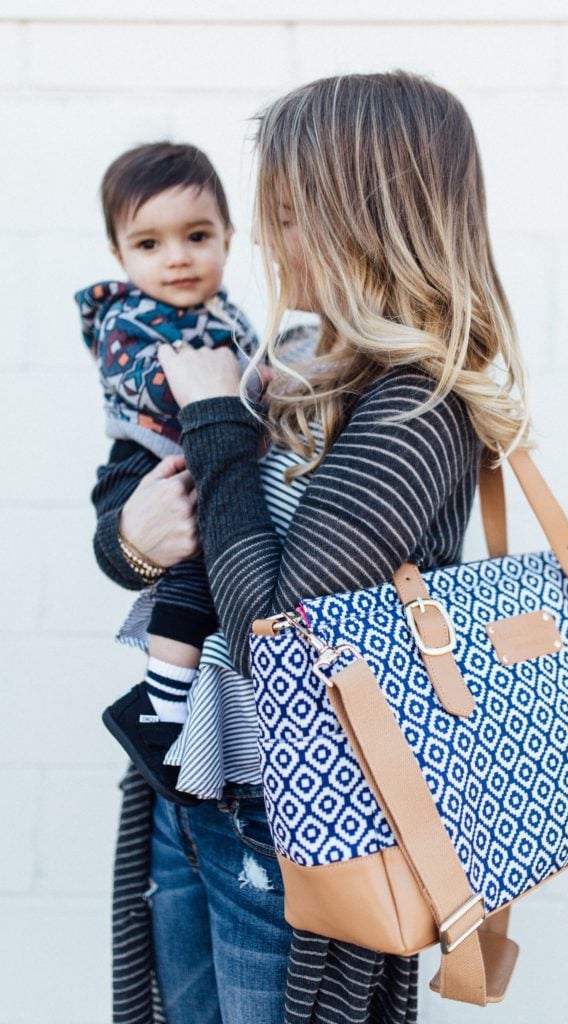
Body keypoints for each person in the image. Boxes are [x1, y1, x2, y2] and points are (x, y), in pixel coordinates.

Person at [93, 71, 529, 1024]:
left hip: (296, 829)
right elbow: (155, 530)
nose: (271, 241)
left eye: (290, 215)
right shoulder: (291, 357)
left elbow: (273, 627)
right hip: (192, 782)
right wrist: (127, 540)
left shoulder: (418, 408)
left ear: (364, 223)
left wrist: (211, 417)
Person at [77, 142, 257, 805]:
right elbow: (151, 381)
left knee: (203, 578)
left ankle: (170, 706)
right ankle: (161, 710)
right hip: (144, 458)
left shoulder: (229, 316)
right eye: (149, 244)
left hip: (196, 457)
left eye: (197, 235)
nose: (177, 257)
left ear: (229, 239)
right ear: (120, 256)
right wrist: (241, 383)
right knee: (185, 574)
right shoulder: (125, 318)